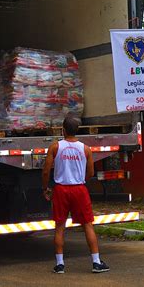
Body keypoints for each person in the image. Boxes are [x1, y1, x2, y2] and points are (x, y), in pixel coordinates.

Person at [42, 116, 109, 274]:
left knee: (59, 226)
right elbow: (91, 172)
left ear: (63, 130)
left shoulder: (55, 147)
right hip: (79, 189)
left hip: (61, 189)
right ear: (77, 130)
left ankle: (60, 264)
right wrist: (81, 181)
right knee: (87, 224)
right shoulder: (85, 149)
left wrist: (45, 188)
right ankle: (96, 262)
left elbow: (46, 171)